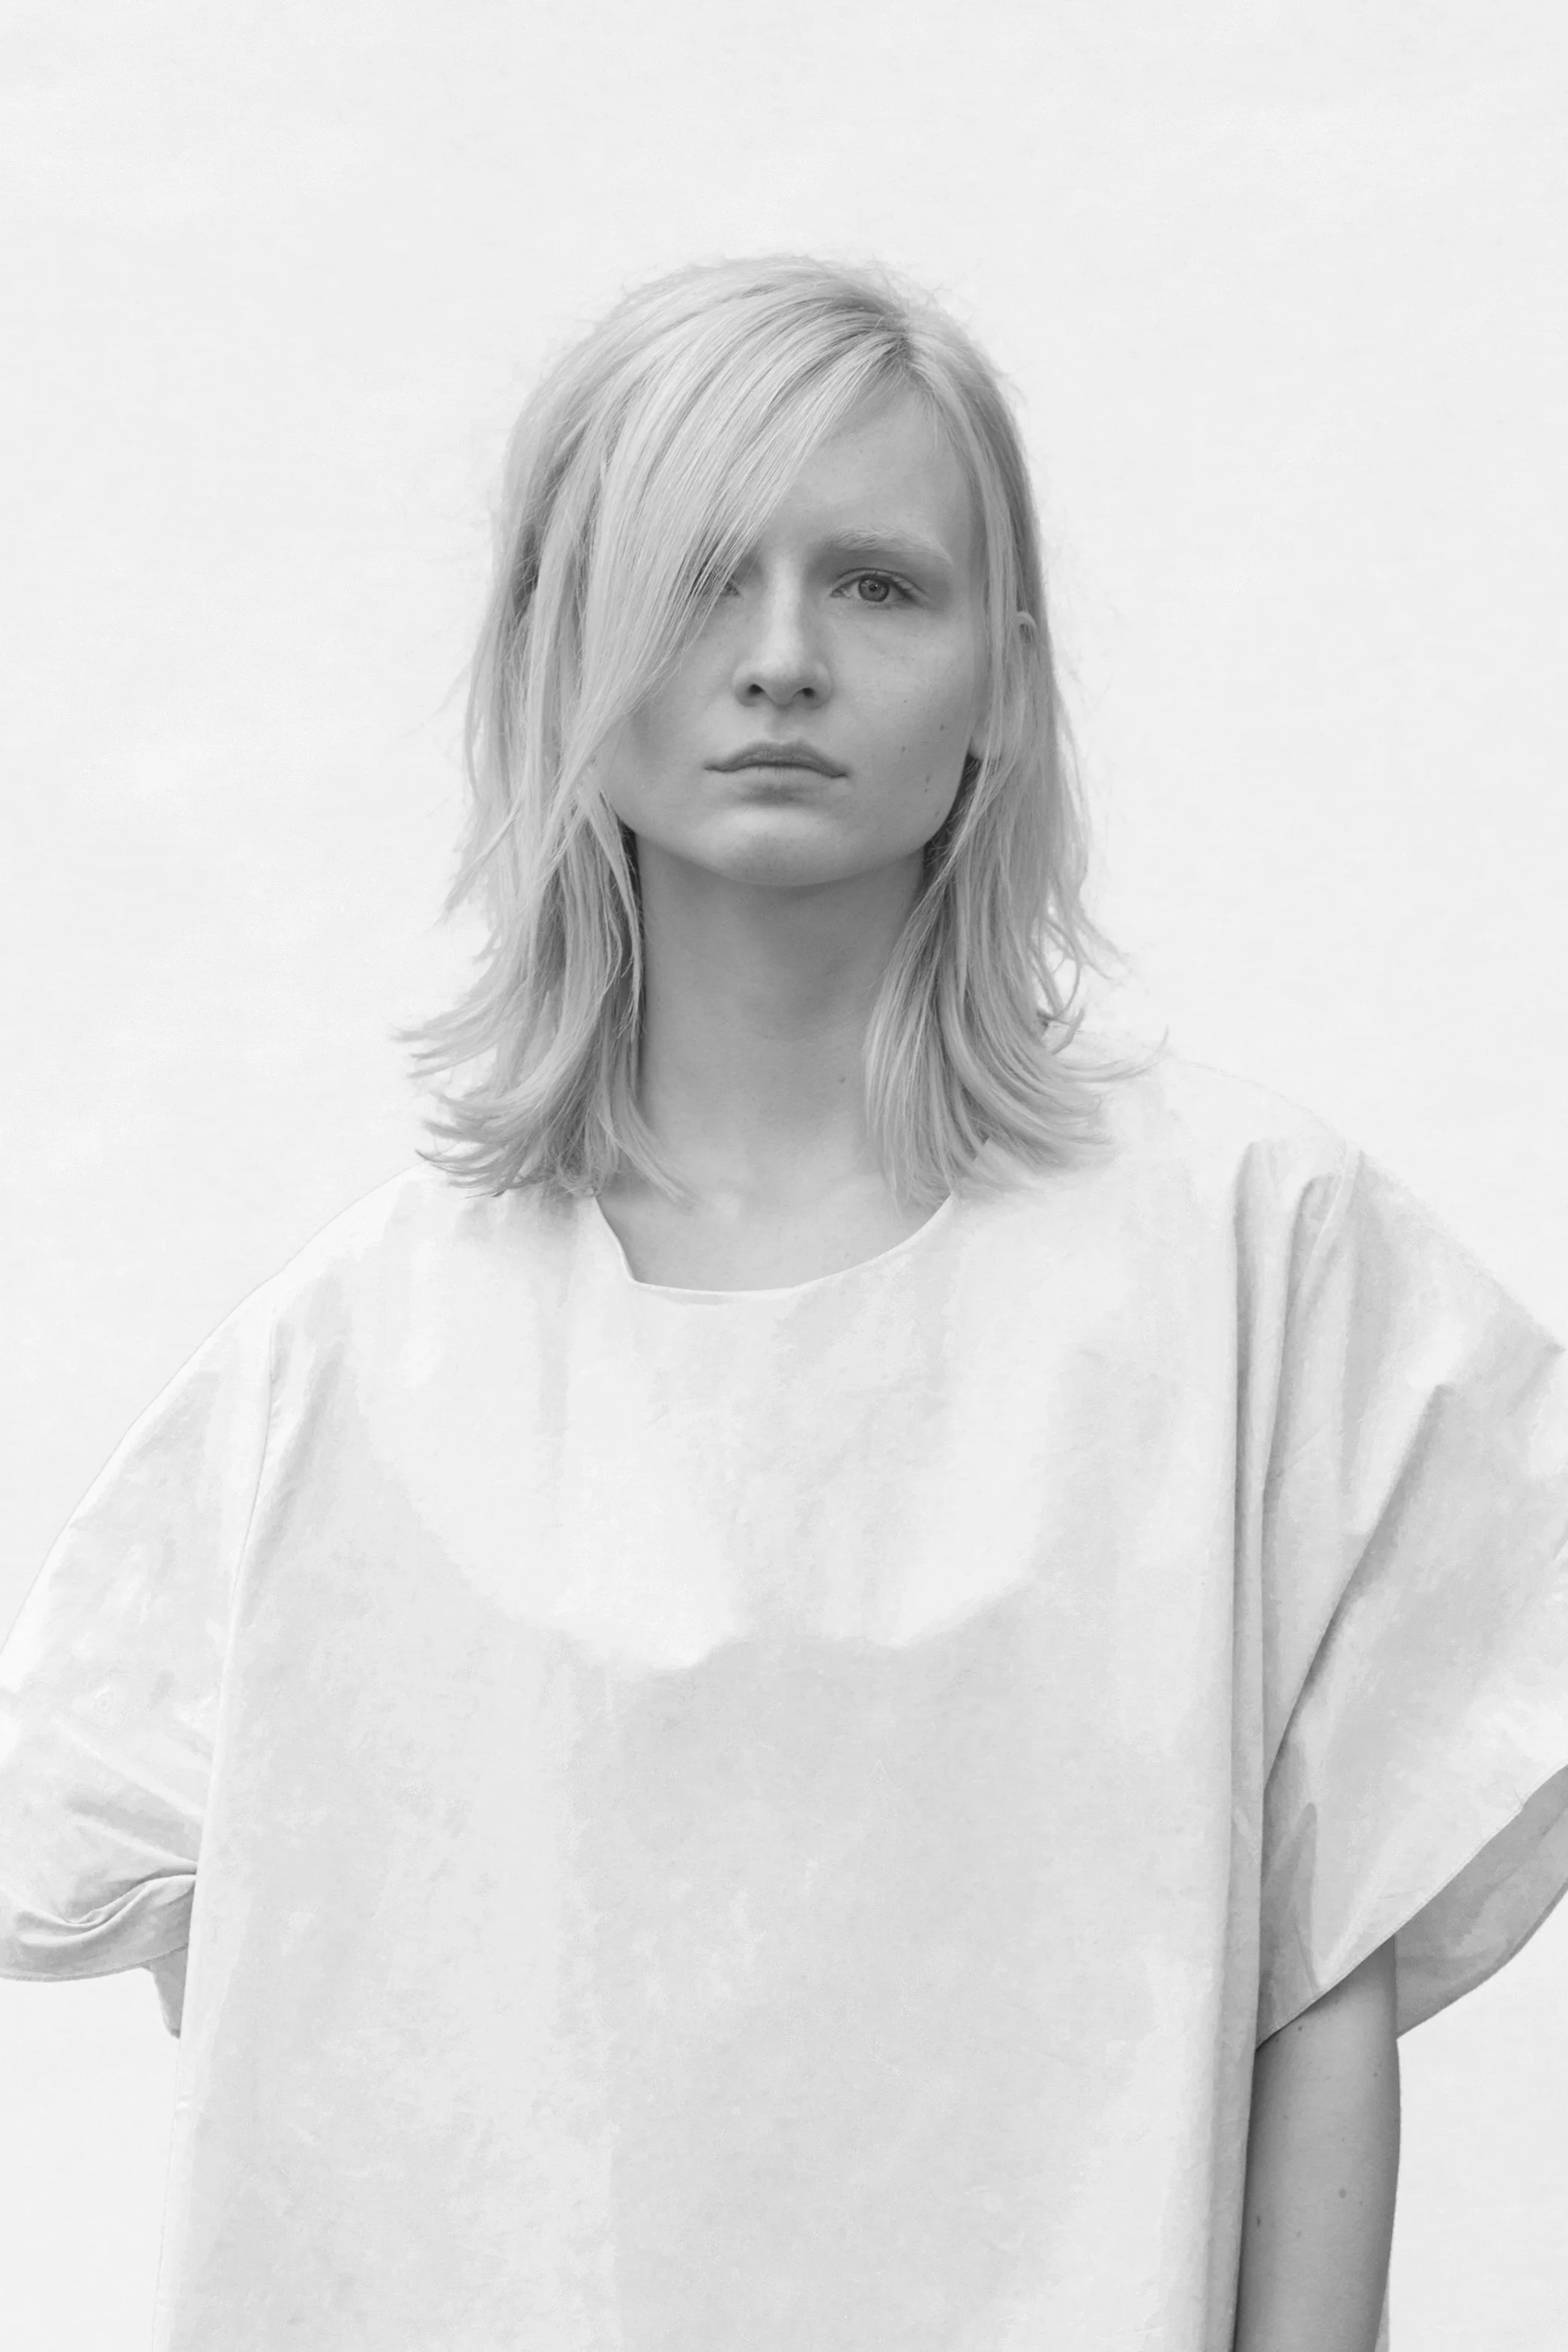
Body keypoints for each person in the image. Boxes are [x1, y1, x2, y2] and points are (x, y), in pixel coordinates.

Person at [2, 254, 1566, 2352]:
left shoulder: (1252, 1260)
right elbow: (310, 2091)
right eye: (697, 574)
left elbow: (1325, 1981)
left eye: (880, 586)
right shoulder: (359, 1363)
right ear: (560, 646)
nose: (779, 660)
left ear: (1004, 673)